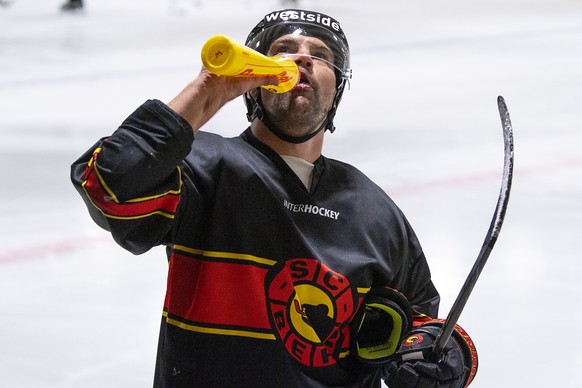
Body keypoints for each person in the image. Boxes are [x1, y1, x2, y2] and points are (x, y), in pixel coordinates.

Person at [71, 8, 478, 388]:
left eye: (320, 55)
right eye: (282, 51)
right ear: (255, 77)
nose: (302, 60)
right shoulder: (201, 165)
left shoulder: (373, 209)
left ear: (337, 89)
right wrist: (209, 90)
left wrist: (444, 358)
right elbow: (109, 184)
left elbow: (422, 326)